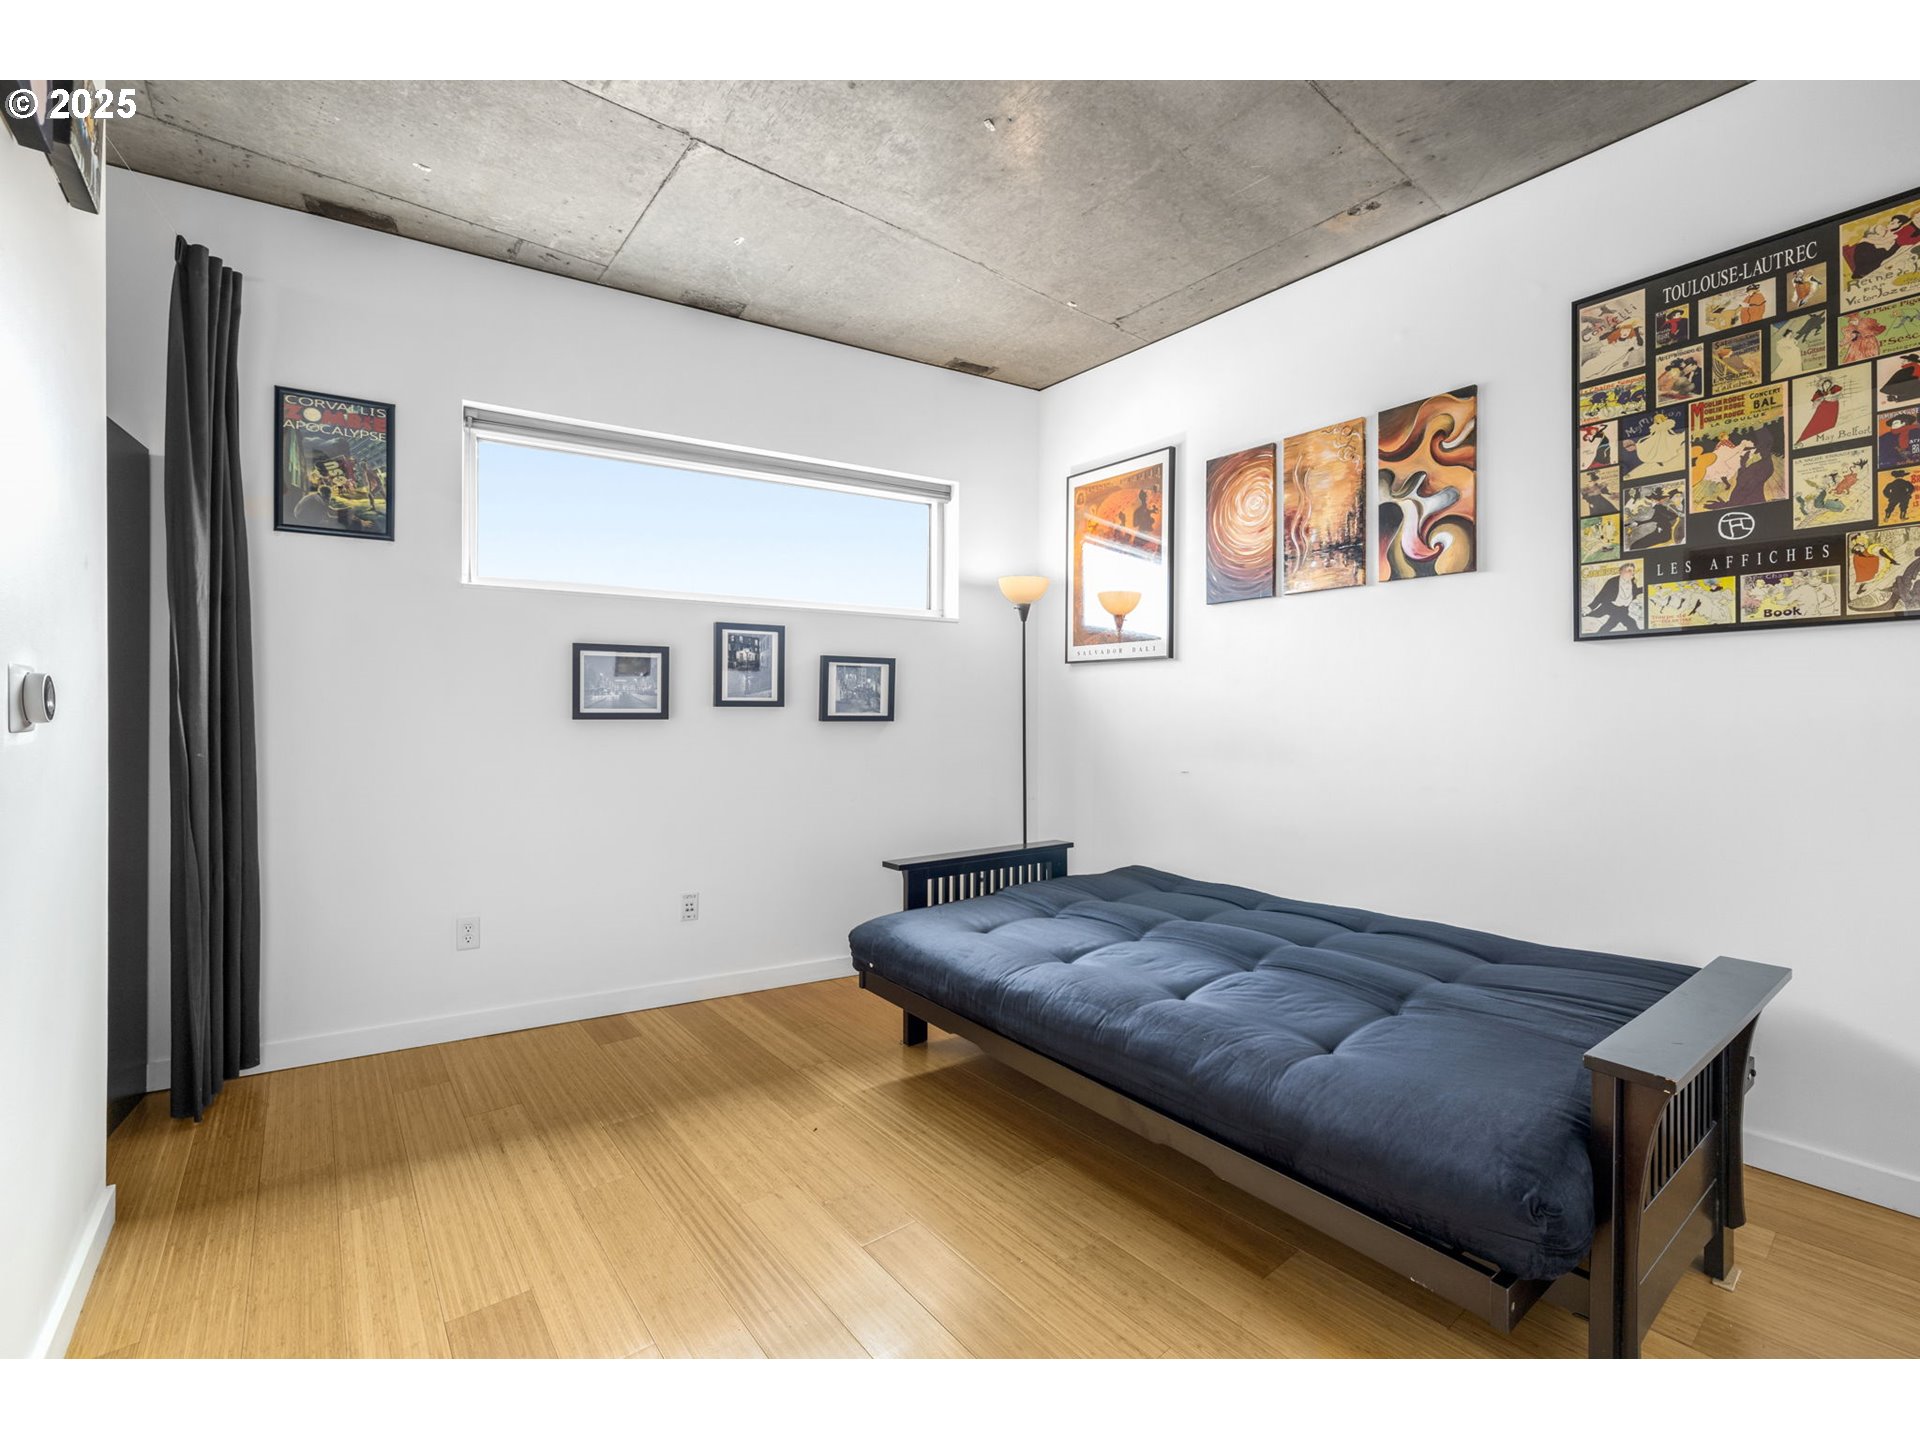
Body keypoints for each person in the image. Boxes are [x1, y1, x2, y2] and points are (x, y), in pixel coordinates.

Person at [1585, 563, 1640, 633]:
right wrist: (1589, 607)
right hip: (1611, 607)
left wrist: (1645, 588)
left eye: (1633, 571)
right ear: (1621, 571)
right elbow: (1601, 595)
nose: (1632, 573)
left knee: (1611, 625)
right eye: (1629, 570)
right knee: (1631, 623)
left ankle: (1599, 635)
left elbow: (1634, 592)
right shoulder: (1612, 581)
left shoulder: (1633, 582)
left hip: (1623, 610)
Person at [1798, 376, 1845, 444]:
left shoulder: (1834, 388)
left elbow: (1839, 393)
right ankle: (1804, 438)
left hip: (1833, 405)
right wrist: (1822, 399)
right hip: (1823, 406)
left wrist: (1830, 396)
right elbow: (1815, 400)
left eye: (1828, 384)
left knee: (1831, 420)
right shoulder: (1820, 392)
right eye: (1825, 384)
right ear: (1822, 385)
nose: (1827, 385)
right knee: (1816, 421)